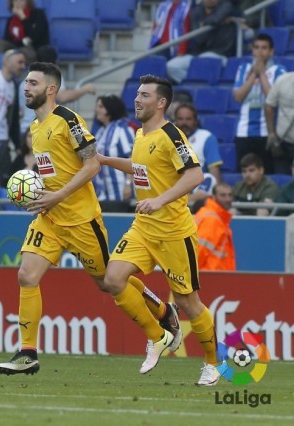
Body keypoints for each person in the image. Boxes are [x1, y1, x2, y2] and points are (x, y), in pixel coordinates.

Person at [0, 64, 182, 377]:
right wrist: (38, 191)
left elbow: (92, 165)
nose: (26, 87)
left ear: (50, 89)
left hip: (82, 221)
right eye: (25, 82)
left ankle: (162, 316)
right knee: (27, 276)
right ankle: (27, 353)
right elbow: (52, 170)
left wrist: (57, 195)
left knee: (107, 282)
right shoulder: (35, 129)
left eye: (33, 83)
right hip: (50, 219)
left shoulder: (69, 120)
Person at [99, 74, 221, 386]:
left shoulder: (171, 135)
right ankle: (162, 322)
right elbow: (140, 168)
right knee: (112, 279)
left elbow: (195, 176)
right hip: (143, 228)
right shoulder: (141, 135)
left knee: (190, 303)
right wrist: (104, 160)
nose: (137, 100)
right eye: (137, 94)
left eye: (144, 95)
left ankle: (212, 363)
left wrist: (160, 200)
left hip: (173, 232)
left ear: (161, 102)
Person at [233, 33, 286, 174]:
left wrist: (262, 74)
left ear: (271, 51)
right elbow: (238, 97)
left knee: (266, 173)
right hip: (243, 132)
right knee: (243, 173)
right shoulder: (243, 69)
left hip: (267, 133)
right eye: (256, 47)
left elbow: (274, 99)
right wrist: (252, 76)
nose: (260, 52)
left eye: (264, 48)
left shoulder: (279, 71)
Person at [18, 45, 96, 135]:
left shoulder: (25, 80)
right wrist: (85, 89)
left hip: (26, 131)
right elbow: (62, 97)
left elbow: (21, 110)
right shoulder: (51, 76)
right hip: (42, 131)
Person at [166, 0, 242, 84]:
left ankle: (201, 87)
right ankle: (192, 85)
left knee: (203, 59)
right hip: (198, 53)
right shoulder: (197, 11)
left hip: (220, 53)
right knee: (172, 66)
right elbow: (198, 38)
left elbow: (216, 19)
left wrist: (205, 23)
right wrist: (214, 22)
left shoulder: (226, 6)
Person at [174, 103, 223, 201]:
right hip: (173, 182)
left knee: (210, 178)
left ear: (195, 121)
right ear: (175, 121)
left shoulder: (206, 137)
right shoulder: (167, 138)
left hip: (196, 185)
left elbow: (214, 172)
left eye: (188, 119)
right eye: (180, 119)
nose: (184, 123)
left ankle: (183, 203)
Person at [92, 94, 134, 206]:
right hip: (102, 192)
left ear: (110, 109)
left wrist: (128, 183)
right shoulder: (101, 131)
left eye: (101, 107)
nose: (97, 110)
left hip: (119, 191)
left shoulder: (122, 129)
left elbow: (132, 157)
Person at [0, 0, 51, 64]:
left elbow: (35, 37)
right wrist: (22, 42)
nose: (18, 3)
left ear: (27, 1)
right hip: (17, 46)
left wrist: (22, 17)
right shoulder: (11, 19)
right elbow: (7, 40)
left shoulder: (38, 14)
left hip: (32, 48)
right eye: (15, 1)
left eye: (21, 0)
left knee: (23, 53)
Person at [194, 182, 236, 270]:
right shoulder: (212, 220)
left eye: (230, 195)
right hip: (211, 276)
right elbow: (200, 251)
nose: (228, 199)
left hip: (214, 275)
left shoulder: (212, 215)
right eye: (223, 195)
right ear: (213, 197)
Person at [265, 72, 294, 174]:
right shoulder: (282, 80)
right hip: (282, 142)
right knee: (281, 181)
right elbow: (269, 105)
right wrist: (271, 133)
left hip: (283, 139)